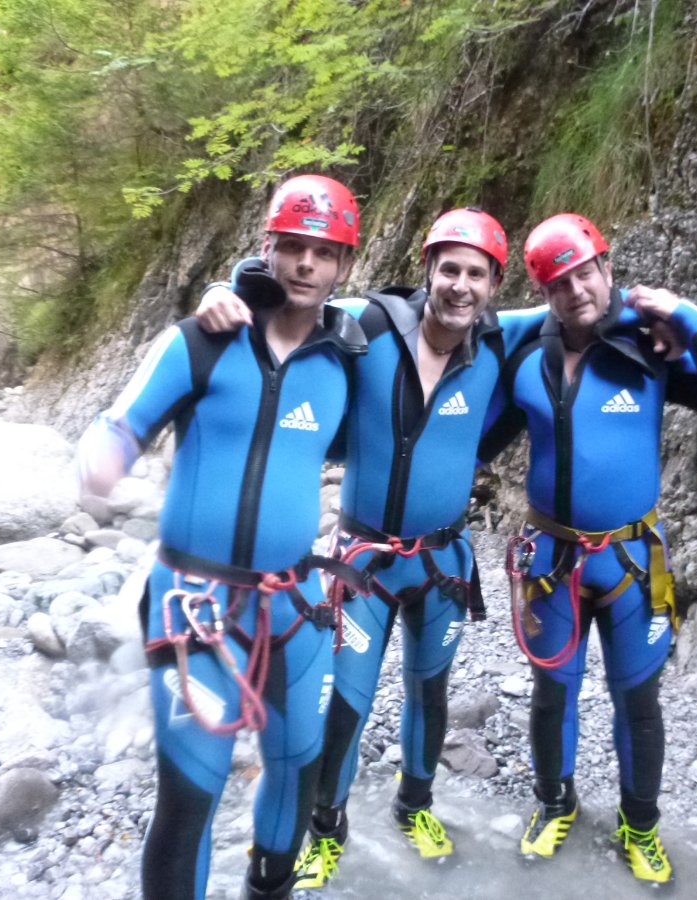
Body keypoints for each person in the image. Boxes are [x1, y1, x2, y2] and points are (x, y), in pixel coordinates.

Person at [194, 208, 549, 890]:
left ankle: (415, 805)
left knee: (430, 691)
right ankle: (327, 827)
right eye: (449, 269)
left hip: (443, 561)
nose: (461, 285)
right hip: (363, 563)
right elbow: (286, 293)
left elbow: (577, 304)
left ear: (494, 284)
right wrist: (225, 286)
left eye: (477, 274)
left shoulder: (500, 339)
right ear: (427, 270)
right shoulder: (370, 323)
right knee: (346, 703)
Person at [76, 174, 367, 900]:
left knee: (296, 769)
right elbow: (120, 423)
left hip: (295, 606)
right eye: (292, 246)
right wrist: (103, 457)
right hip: (195, 607)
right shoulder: (201, 342)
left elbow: (444, 319)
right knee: (190, 795)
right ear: (267, 247)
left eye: (323, 252)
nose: (306, 264)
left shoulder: (347, 359)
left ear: (344, 265)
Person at [478, 213, 697, 885]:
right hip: (552, 558)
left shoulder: (649, 346)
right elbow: (475, 442)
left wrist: (685, 315)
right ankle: (555, 804)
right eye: (559, 282)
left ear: (606, 268)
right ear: (544, 292)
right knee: (553, 692)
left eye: (586, 273)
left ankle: (640, 825)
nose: (577, 290)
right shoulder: (526, 357)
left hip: (633, 559)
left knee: (639, 699)